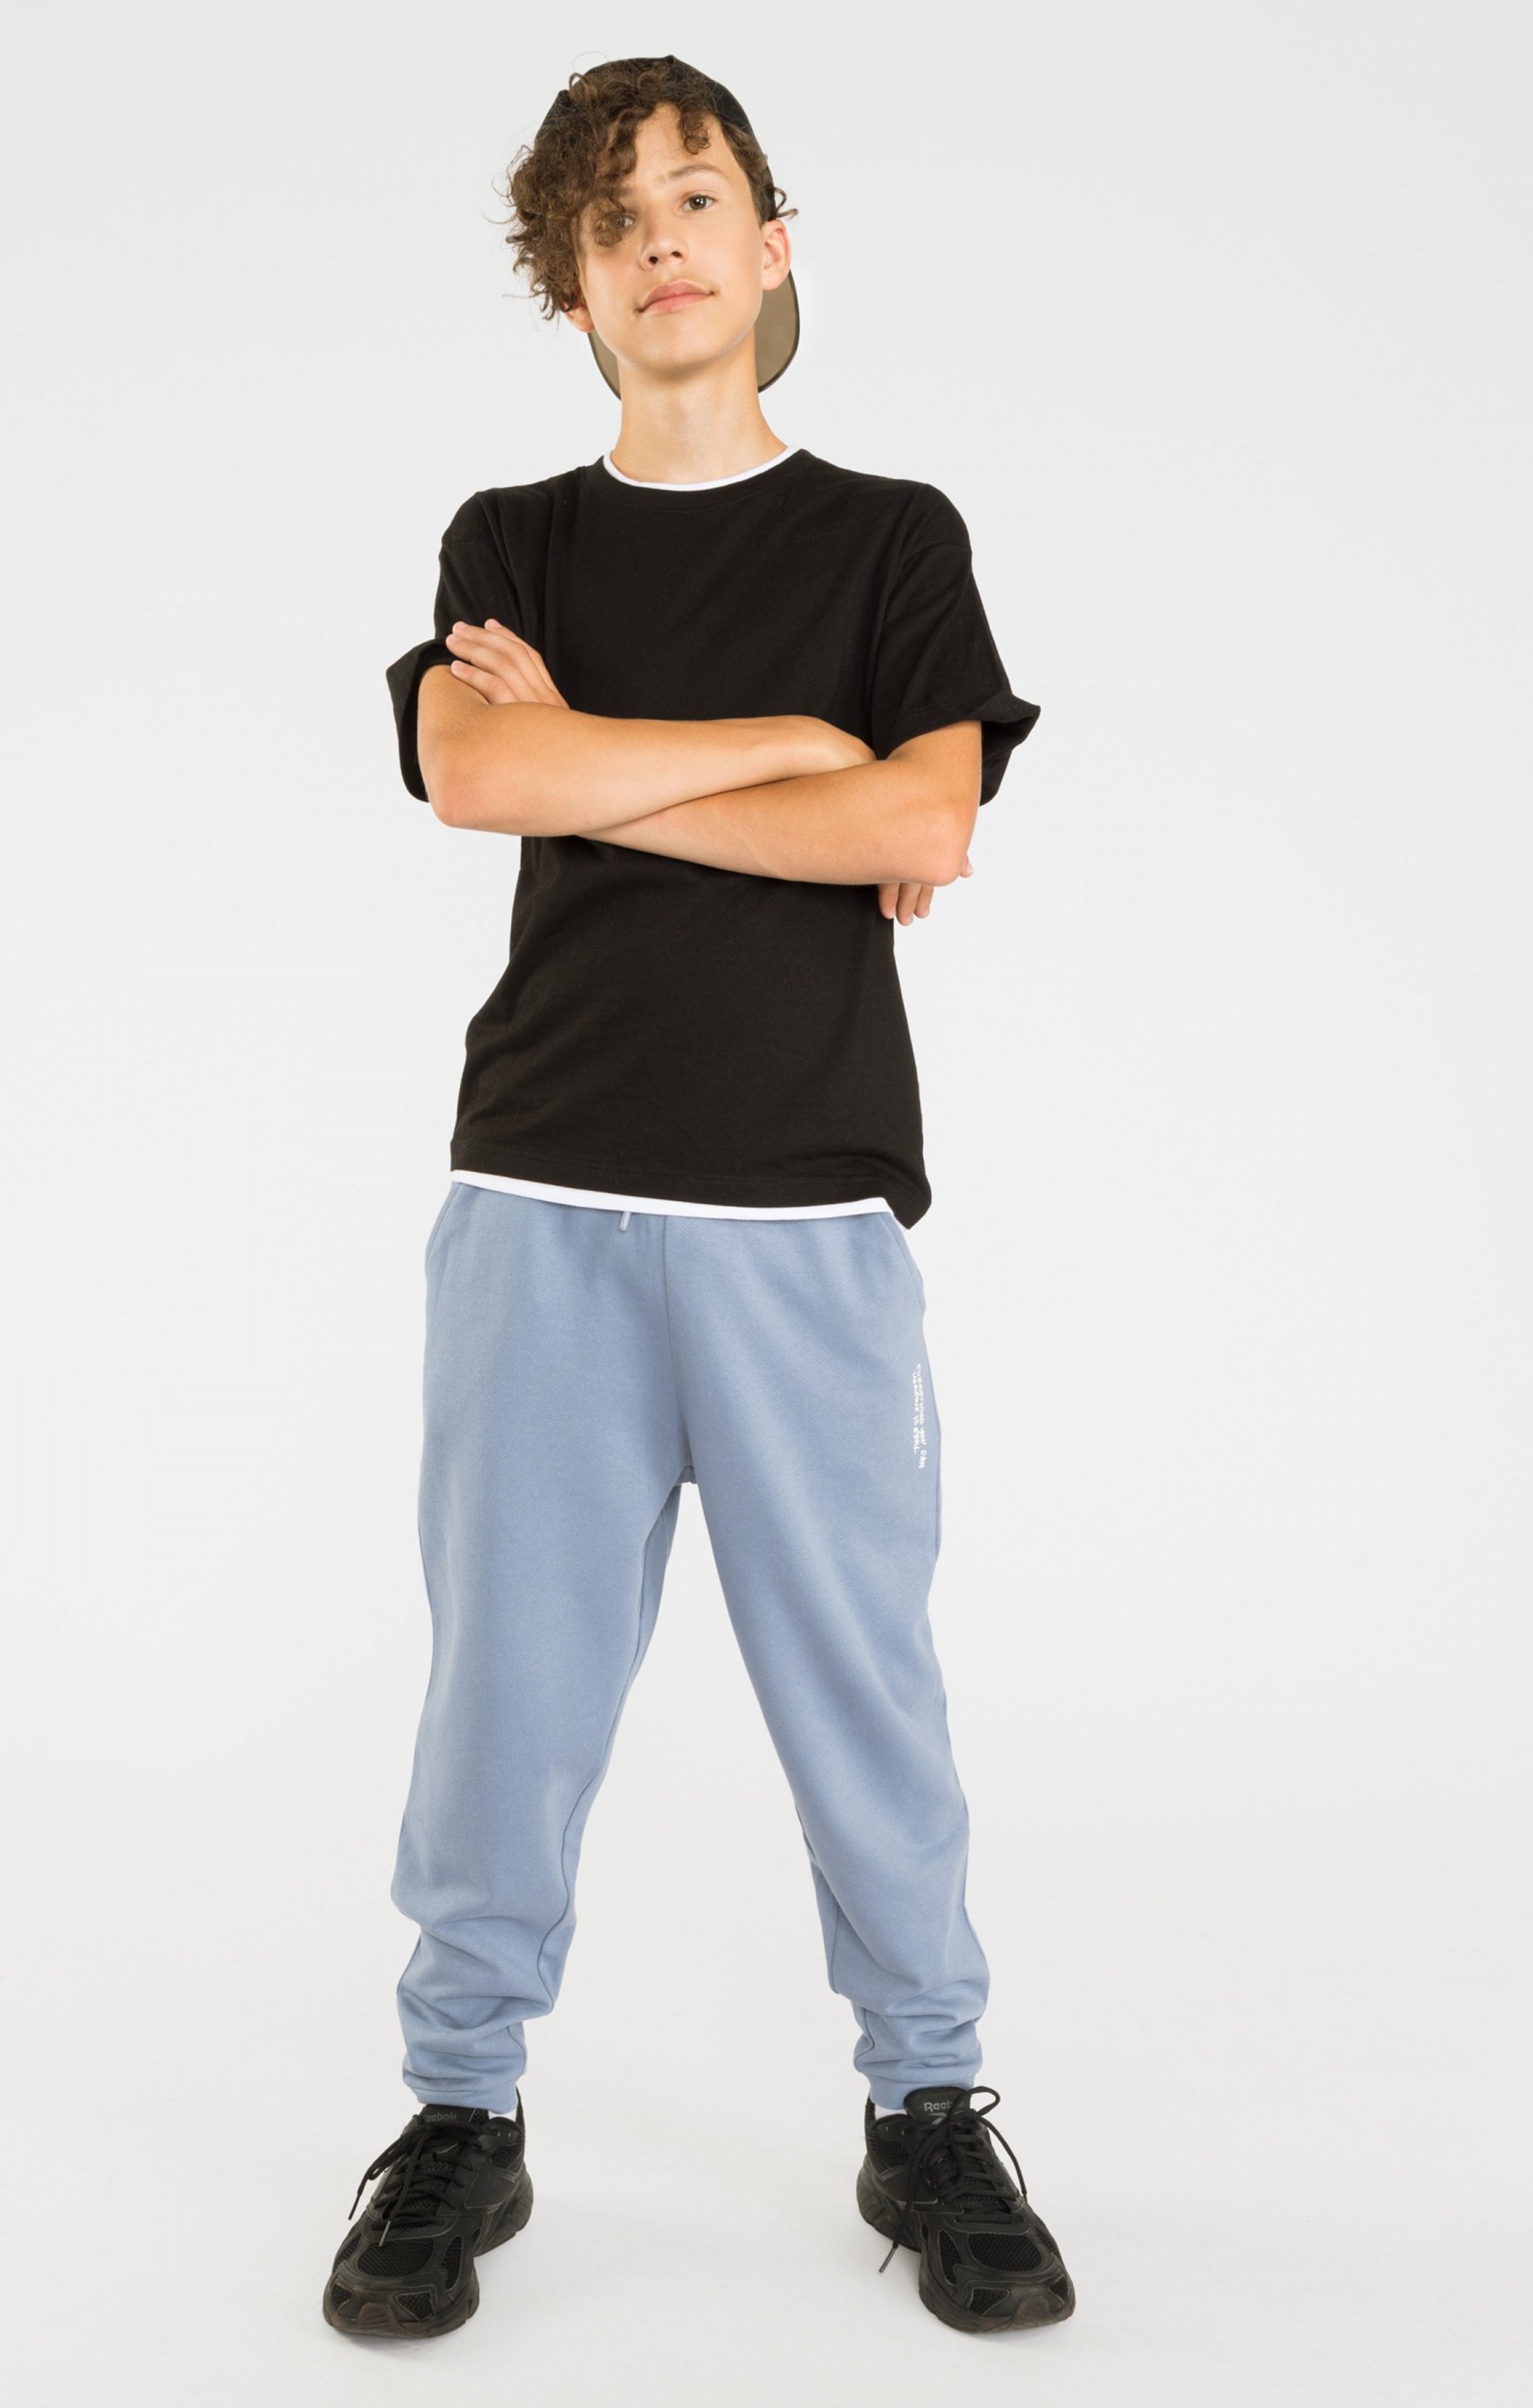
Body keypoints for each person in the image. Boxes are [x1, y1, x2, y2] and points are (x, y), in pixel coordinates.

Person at [323, 54, 1075, 2341]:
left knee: (862, 1687)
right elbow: (475, 774)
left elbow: (923, 828)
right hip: (539, 1189)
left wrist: (618, 769)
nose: (660, 236)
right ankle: (460, 2112)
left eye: (696, 195)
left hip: (800, 1214)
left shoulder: (887, 540)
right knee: (505, 1689)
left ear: (767, 248)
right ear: (571, 289)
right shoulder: (514, 543)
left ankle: (924, 2102)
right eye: (613, 215)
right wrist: (794, 748)